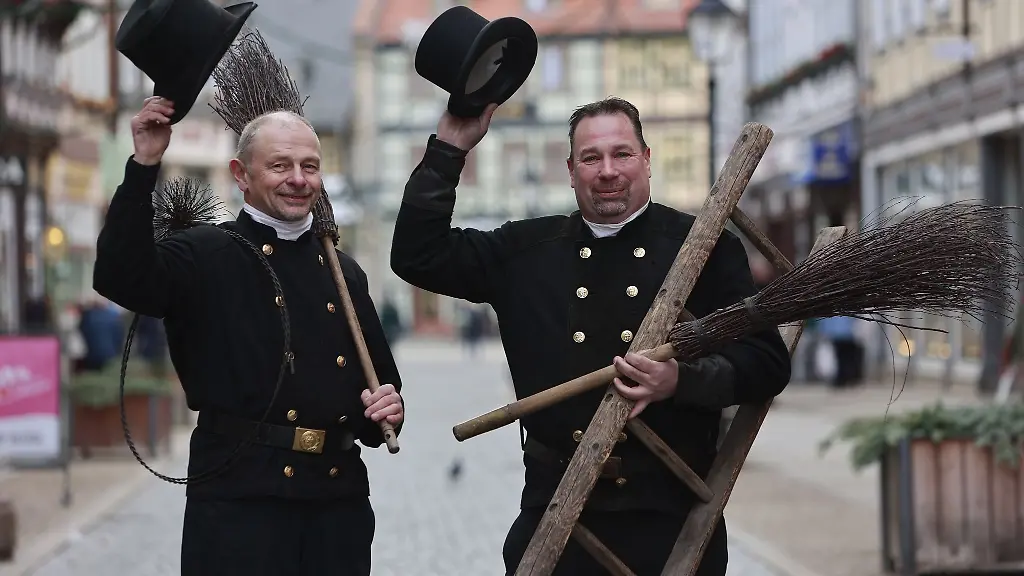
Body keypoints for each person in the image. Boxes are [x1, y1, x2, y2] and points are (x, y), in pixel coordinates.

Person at [390, 96, 791, 575]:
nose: (607, 170)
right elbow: (416, 255)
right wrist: (450, 148)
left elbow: (767, 363)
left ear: (646, 160)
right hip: (555, 514)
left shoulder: (703, 247)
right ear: (570, 169)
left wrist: (678, 381)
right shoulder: (526, 251)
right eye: (591, 157)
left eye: (622, 154)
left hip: (671, 519)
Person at [93, 97, 405, 576]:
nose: (298, 179)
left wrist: (389, 409)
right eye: (279, 165)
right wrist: (144, 166)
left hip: (336, 506)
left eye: (309, 167)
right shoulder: (204, 254)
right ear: (241, 175)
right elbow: (119, 277)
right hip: (241, 504)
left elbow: (378, 391)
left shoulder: (344, 273)